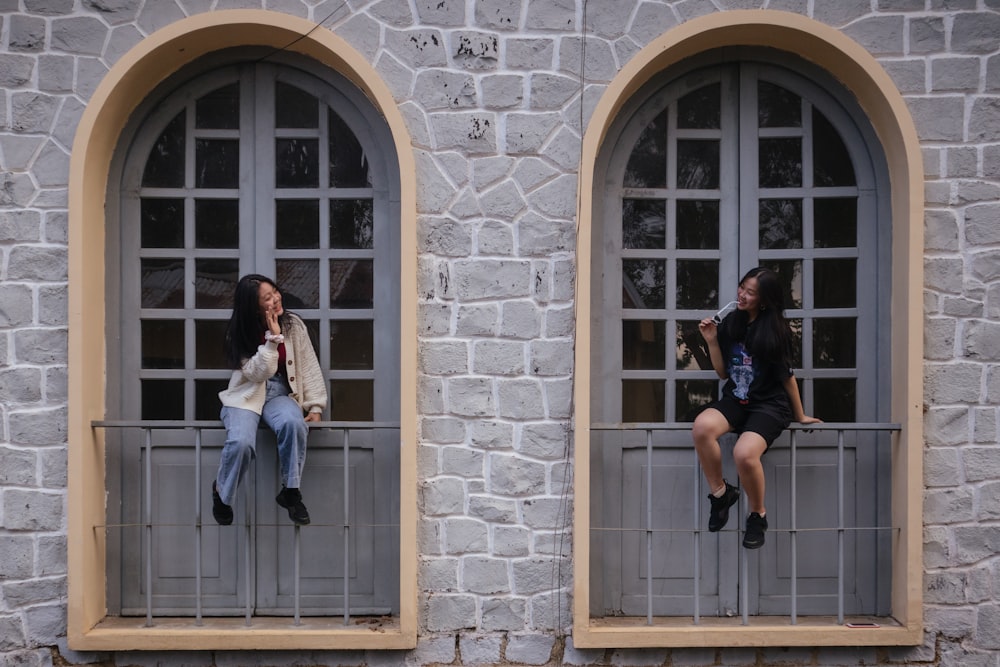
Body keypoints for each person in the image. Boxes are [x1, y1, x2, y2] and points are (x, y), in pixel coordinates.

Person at [692, 267, 821, 548]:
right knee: (702, 427)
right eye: (742, 288)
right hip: (737, 399)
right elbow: (723, 373)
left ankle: (757, 514)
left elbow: (787, 377)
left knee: (744, 454)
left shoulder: (775, 332)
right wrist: (712, 340)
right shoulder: (731, 323)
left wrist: (800, 416)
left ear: (764, 300)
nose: (742, 294)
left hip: (769, 406)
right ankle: (721, 494)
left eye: (751, 292)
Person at [212, 274, 327, 526]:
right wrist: (273, 341)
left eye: (275, 291)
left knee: (293, 423)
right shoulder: (238, 332)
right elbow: (256, 373)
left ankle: (290, 491)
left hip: (280, 393)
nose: (276, 299)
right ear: (254, 307)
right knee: (241, 442)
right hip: (246, 394)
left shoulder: (293, 324)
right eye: (267, 298)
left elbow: (307, 364)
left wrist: (315, 405)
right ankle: (222, 492)